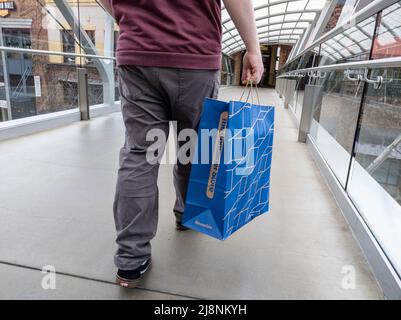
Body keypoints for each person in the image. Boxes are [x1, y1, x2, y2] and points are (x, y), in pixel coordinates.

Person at [99, 0, 264, 288]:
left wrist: (130, 17)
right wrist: (252, 48)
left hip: (138, 52)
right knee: (192, 147)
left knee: (141, 156)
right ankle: (187, 216)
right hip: (195, 53)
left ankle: (131, 260)